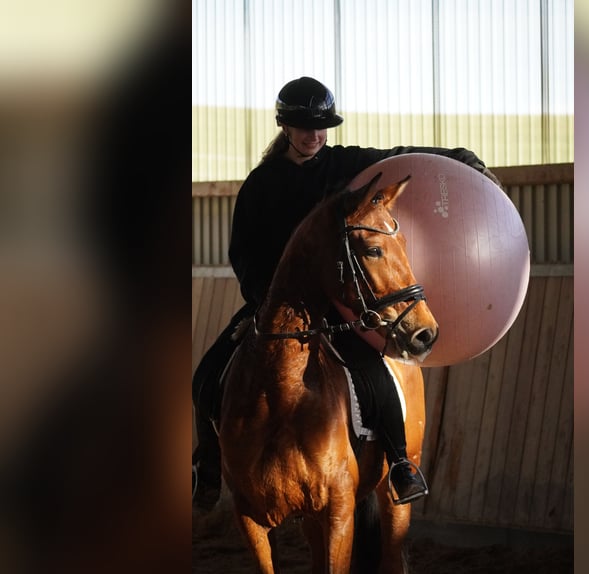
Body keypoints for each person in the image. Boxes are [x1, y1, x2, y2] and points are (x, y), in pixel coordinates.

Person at [192, 76, 499, 511]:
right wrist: (265, 299)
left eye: (321, 128)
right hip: (275, 304)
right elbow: (243, 252)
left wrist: (457, 157)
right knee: (206, 375)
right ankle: (207, 465)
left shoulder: (342, 165)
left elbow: (396, 157)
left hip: (339, 306)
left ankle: (398, 463)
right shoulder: (260, 185)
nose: (315, 136)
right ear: (284, 127)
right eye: (304, 128)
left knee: (377, 377)